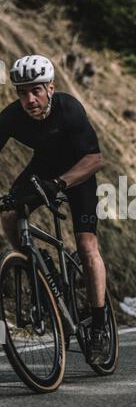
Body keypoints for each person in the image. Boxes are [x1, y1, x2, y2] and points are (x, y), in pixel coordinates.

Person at [0, 54, 109, 365]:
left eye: (35, 90)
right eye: (22, 93)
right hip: (44, 169)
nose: (29, 99)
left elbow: (95, 159)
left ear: (50, 87)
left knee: (87, 246)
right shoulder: (11, 116)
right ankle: (38, 264)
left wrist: (60, 184)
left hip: (79, 173)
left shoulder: (69, 108)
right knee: (9, 214)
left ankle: (99, 326)